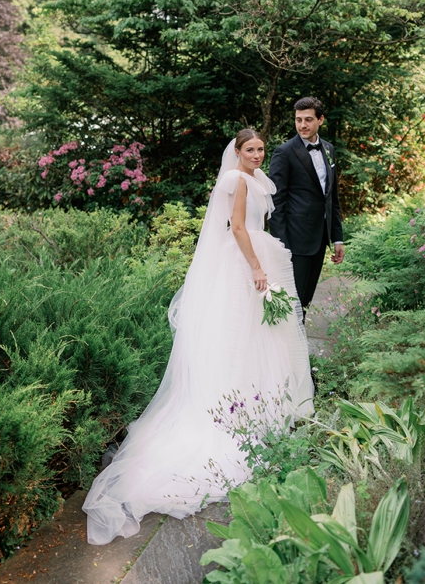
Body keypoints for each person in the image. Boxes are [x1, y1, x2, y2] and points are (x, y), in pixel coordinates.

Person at [82, 130, 313, 545]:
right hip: (246, 262)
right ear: (237, 153)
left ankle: (262, 406)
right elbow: (239, 228)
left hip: (258, 256)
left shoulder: (258, 179)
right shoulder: (237, 180)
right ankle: (238, 414)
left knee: (262, 338)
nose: (257, 155)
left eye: (261, 149)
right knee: (244, 338)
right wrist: (258, 268)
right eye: (250, 150)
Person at [268, 97, 345, 319]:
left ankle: (296, 348)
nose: (302, 125)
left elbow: (332, 198)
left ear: (320, 120)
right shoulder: (284, 152)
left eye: (308, 119)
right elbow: (276, 202)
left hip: (320, 239)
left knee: (305, 301)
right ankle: (290, 351)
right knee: (293, 302)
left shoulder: (329, 149)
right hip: (295, 241)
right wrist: (281, 245)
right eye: (298, 120)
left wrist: (337, 238)